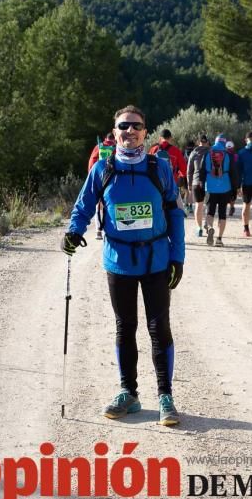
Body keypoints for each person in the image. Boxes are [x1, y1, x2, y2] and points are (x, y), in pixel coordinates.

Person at [61, 105, 185, 425]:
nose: (129, 131)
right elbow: (84, 205)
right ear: (113, 132)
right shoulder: (103, 169)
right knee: (124, 327)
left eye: (136, 126)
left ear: (146, 131)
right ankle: (128, 393)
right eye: (123, 126)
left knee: (159, 328)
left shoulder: (160, 168)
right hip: (118, 262)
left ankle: (165, 397)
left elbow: (174, 213)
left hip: (157, 259)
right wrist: (74, 231)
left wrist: (178, 257)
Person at [199, 134, 238, 247]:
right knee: (222, 214)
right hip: (225, 187)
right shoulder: (228, 155)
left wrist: (201, 185)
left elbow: (202, 171)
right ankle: (219, 239)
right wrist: (234, 190)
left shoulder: (207, 153)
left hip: (210, 187)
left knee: (210, 212)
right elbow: (233, 174)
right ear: (224, 142)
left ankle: (210, 227)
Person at [88, 133, 116, 240]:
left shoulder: (99, 147)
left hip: (99, 178)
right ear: (114, 139)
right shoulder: (115, 148)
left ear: (105, 139)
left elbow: (92, 162)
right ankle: (110, 229)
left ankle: (98, 232)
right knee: (110, 204)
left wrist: (92, 177)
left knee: (98, 206)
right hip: (111, 180)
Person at [187, 134, 210, 237]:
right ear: (207, 142)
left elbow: (189, 171)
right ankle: (207, 224)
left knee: (198, 205)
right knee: (209, 205)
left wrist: (189, 184)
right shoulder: (210, 152)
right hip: (209, 183)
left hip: (196, 182)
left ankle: (199, 228)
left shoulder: (193, 153)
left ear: (198, 142)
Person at [225, 140, 239, 216]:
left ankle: (228, 208)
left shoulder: (224, 155)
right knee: (233, 194)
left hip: (226, 177)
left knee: (226, 193)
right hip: (234, 178)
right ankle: (232, 207)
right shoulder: (236, 156)